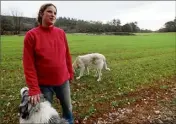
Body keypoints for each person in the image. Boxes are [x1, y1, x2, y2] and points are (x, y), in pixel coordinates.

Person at [22, 3, 74, 124]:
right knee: (46, 116)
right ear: (41, 13)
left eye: (55, 13)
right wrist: (34, 89)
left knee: (68, 108)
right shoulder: (31, 35)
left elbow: (67, 55)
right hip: (43, 85)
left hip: (63, 81)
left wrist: (70, 73)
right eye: (49, 12)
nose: (53, 15)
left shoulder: (61, 33)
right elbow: (28, 65)